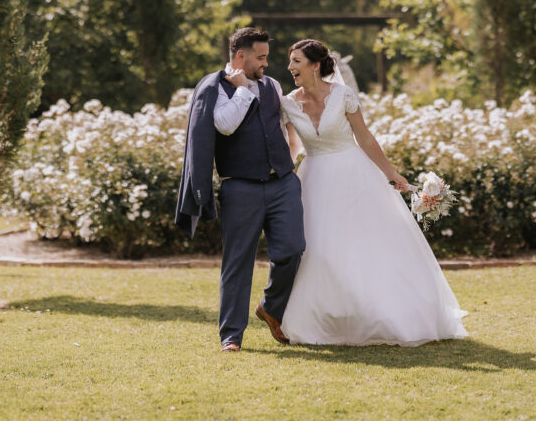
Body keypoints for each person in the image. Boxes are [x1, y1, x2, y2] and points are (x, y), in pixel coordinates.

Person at [279, 39, 467, 346]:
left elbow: (365, 139)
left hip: (353, 176)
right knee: (319, 249)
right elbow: (293, 146)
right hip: (312, 179)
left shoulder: (343, 96)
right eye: (290, 61)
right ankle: (328, 318)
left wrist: (391, 173)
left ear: (315, 66)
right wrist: (279, 176)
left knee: (364, 245)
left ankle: (378, 313)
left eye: (296, 61)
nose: (290, 68)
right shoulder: (287, 103)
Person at [175, 27, 305, 352]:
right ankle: (231, 336)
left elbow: (284, 125)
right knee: (237, 262)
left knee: (292, 250)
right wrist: (243, 90)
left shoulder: (273, 85)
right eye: (260, 58)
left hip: (282, 184)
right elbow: (225, 124)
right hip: (241, 188)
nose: (265, 64)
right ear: (240, 56)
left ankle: (270, 307)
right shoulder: (215, 87)